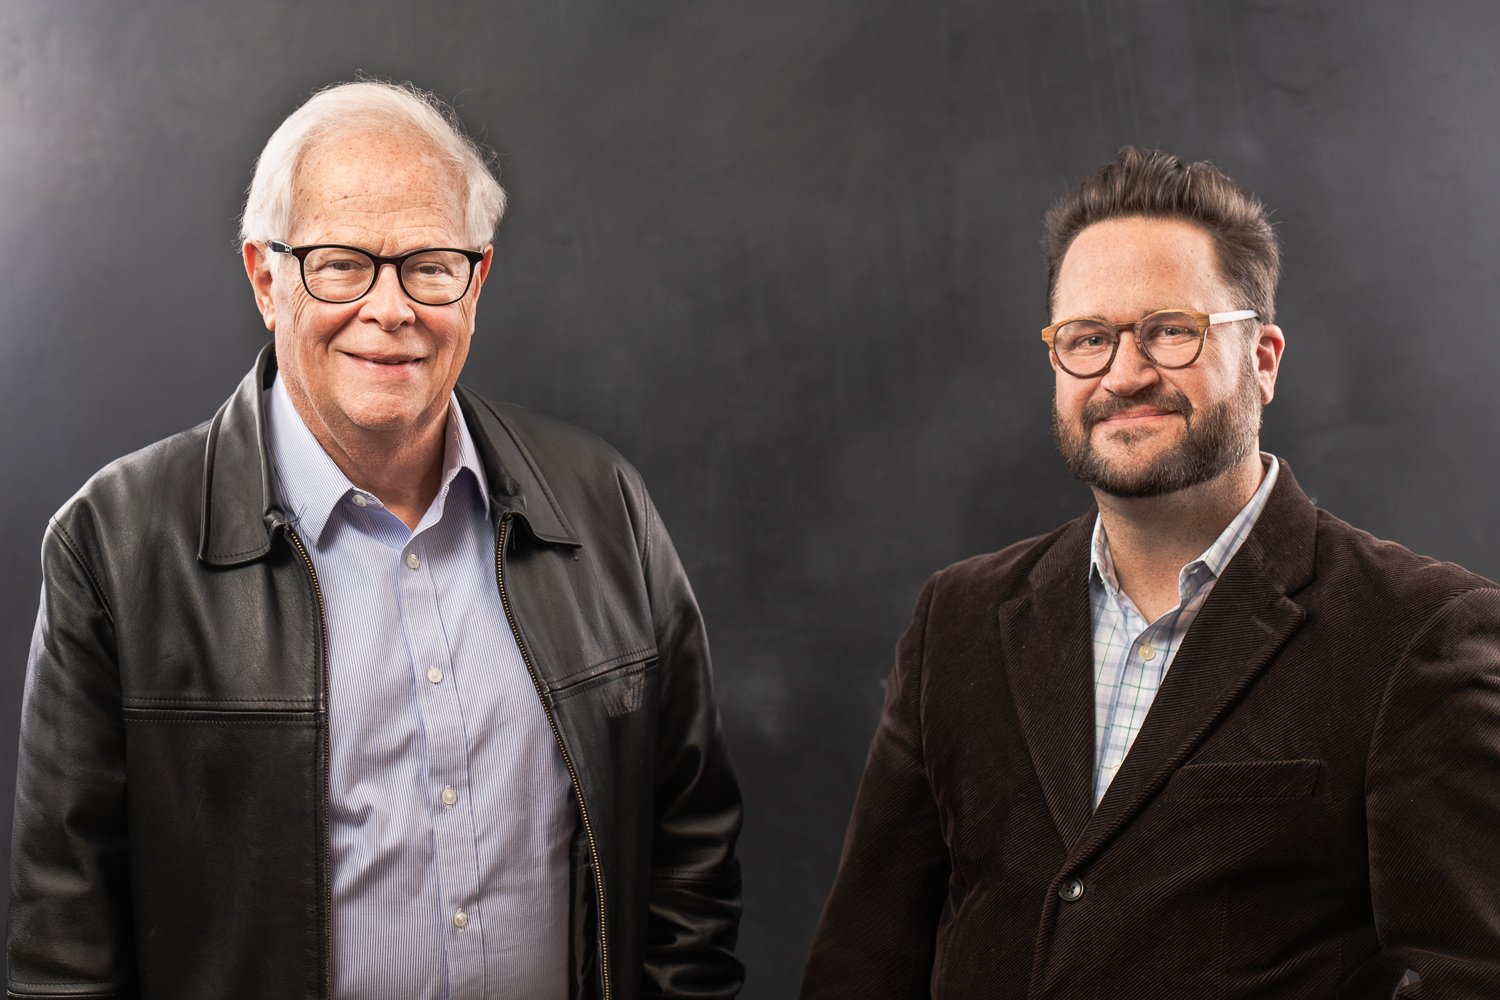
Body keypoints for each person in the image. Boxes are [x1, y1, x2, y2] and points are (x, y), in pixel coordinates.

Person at [9, 80, 742, 1000]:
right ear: (265, 277)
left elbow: (692, 854)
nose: (391, 309)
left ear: (476, 279)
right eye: (341, 262)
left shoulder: (604, 507)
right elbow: (64, 948)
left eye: (429, 264)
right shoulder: (111, 547)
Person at [801, 146, 1500, 998]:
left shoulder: (1417, 633)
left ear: (1264, 359)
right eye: (1088, 339)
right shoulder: (960, 617)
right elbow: (862, 966)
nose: (1125, 374)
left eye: (1171, 331)